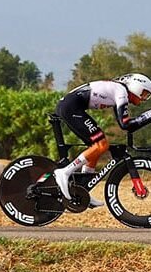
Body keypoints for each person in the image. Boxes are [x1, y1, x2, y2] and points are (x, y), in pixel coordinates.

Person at [51, 73, 151, 207]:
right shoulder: (121, 91)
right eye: (144, 94)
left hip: (71, 107)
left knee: (96, 147)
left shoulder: (119, 91)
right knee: (101, 145)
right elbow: (126, 124)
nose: (144, 99)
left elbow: (125, 125)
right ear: (136, 87)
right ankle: (64, 172)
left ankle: (83, 188)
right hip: (71, 108)